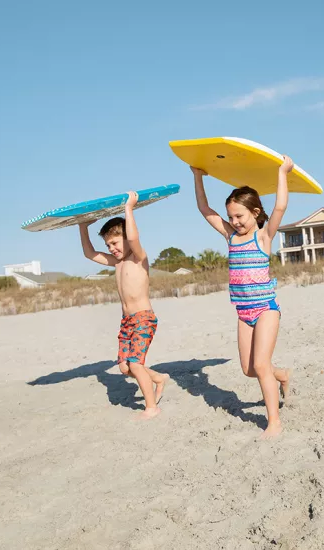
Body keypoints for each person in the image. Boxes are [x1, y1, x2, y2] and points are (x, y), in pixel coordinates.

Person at [191, 158, 293, 439]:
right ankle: (281, 375)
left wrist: (282, 173)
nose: (235, 222)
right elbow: (204, 209)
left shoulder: (263, 236)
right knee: (250, 370)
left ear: (255, 212)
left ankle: (274, 422)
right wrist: (198, 176)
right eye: (232, 217)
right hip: (243, 312)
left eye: (240, 216)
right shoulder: (230, 237)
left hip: (266, 309)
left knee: (260, 365)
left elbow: (280, 206)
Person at [78, 192, 169, 420]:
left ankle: (151, 407)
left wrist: (129, 208)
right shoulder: (116, 262)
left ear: (127, 238)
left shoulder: (138, 258)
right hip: (126, 322)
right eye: (108, 244)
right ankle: (158, 378)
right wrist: (82, 226)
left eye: (115, 242)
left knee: (136, 365)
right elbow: (89, 253)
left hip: (143, 318)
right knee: (125, 368)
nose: (111, 248)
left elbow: (134, 238)